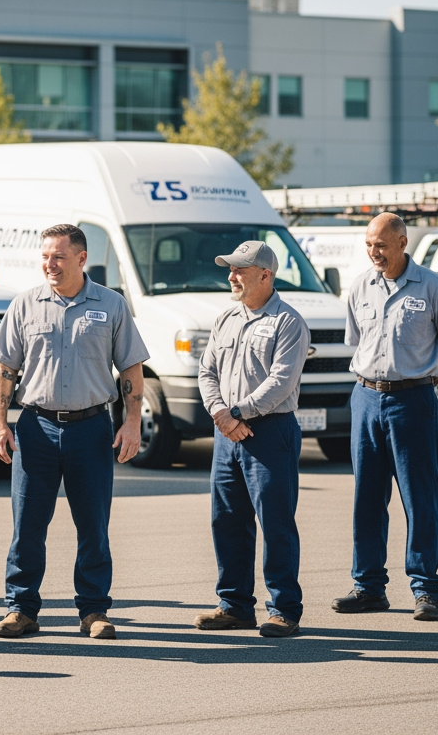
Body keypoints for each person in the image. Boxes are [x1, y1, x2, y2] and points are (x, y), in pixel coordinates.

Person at [0, 224, 149, 641]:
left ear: (81, 259)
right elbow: (6, 367)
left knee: (93, 525)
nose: (49, 264)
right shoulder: (25, 304)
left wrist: (132, 423)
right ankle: (20, 609)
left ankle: (93, 611)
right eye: (45, 256)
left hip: (91, 429)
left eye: (58, 256)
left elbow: (130, 367)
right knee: (27, 526)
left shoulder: (111, 305)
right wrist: (0, 423)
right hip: (36, 428)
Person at [332, 213, 438, 622]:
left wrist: (427, 381)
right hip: (366, 398)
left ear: (403, 243)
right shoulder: (360, 286)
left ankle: (425, 589)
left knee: (419, 498)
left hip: (413, 402)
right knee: (366, 499)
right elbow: (357, 341)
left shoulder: (433, 287)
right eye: (369, 245)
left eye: (382, 246)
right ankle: (368, 587)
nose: (374, 253)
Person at [194, 240, 309, 638]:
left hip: (269, 431)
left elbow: (282, 382)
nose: (232, 276)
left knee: (275, 522)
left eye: (240, 270)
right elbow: (206, 371)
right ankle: (235, 606)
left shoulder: (288, 322)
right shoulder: (226, 318)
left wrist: (237, 412)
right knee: (227, 521)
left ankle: (283, 609)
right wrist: (220, 414)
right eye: (231, 269)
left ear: (265, 275)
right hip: (227, 432)